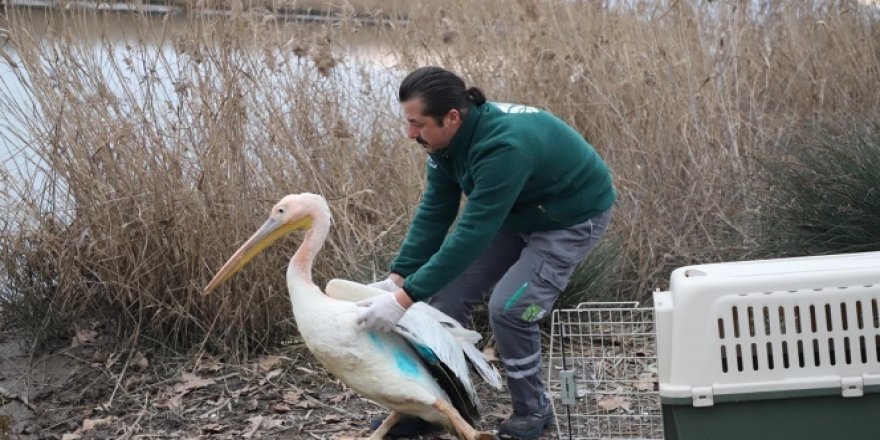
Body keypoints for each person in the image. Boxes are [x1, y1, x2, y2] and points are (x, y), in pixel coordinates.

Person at [355, 66, 615, 440]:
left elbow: (472, 233)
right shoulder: (444, 143)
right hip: (516, 209)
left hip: (569, 217)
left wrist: (404, 298)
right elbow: (435, 213)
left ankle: (534, 410)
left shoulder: (502, 149)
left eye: (417, 124)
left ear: (452, 117)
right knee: (446, 297)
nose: (410, 133)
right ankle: (434, 408)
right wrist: (397, 279)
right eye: (408, 122)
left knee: (511, 309)